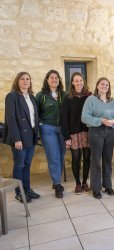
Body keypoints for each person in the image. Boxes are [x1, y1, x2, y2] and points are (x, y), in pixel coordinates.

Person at [3, 72, 40, 203]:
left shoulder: (31, 96)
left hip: (31, 135)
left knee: (27, 164)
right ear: (17, 81)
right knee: (19, 165)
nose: (25, 81)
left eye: (28, 79)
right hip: (19, 137)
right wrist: (16, 139)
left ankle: (27, 189)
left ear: (30, 82)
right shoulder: (12, 96)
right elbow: (11, 120)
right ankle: (19, 192)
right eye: (22, 79)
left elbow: (34, 117)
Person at [82, 77, 114, 199]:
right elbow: (85, 117)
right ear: (97, 86)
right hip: (96, 132)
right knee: (96, 161)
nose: (104, 86)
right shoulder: (91, 99)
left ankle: (108, 185)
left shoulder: (112, 102)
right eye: (102, 84)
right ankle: (96, 188)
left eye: (107, 85)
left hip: (110, 133)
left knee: (108, 160)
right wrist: (101, 121)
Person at [36, 70, 67, 198]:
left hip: (62, 129)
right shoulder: (41, 95)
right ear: (47, 80)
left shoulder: (64, 95)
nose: (54, 80)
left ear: (59, 80)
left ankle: (56, 180)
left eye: (56, 78)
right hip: (48, 129)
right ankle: (57, 184)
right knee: (53, 156)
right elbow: (35, 114)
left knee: (61, 155)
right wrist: (39, 128)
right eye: (51, 77)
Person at [61, 72, 92, 194]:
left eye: (81, 80)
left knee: (87, 157)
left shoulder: (89, 97)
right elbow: (63, 119)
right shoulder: (67, 98)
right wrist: (66, 137)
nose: (79, 83)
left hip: (87, 132)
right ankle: (77, 184)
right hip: (73, 133)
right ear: (72, 83)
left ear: (83, 82)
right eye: (76, 81)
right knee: (75, 157)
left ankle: (85, 182)